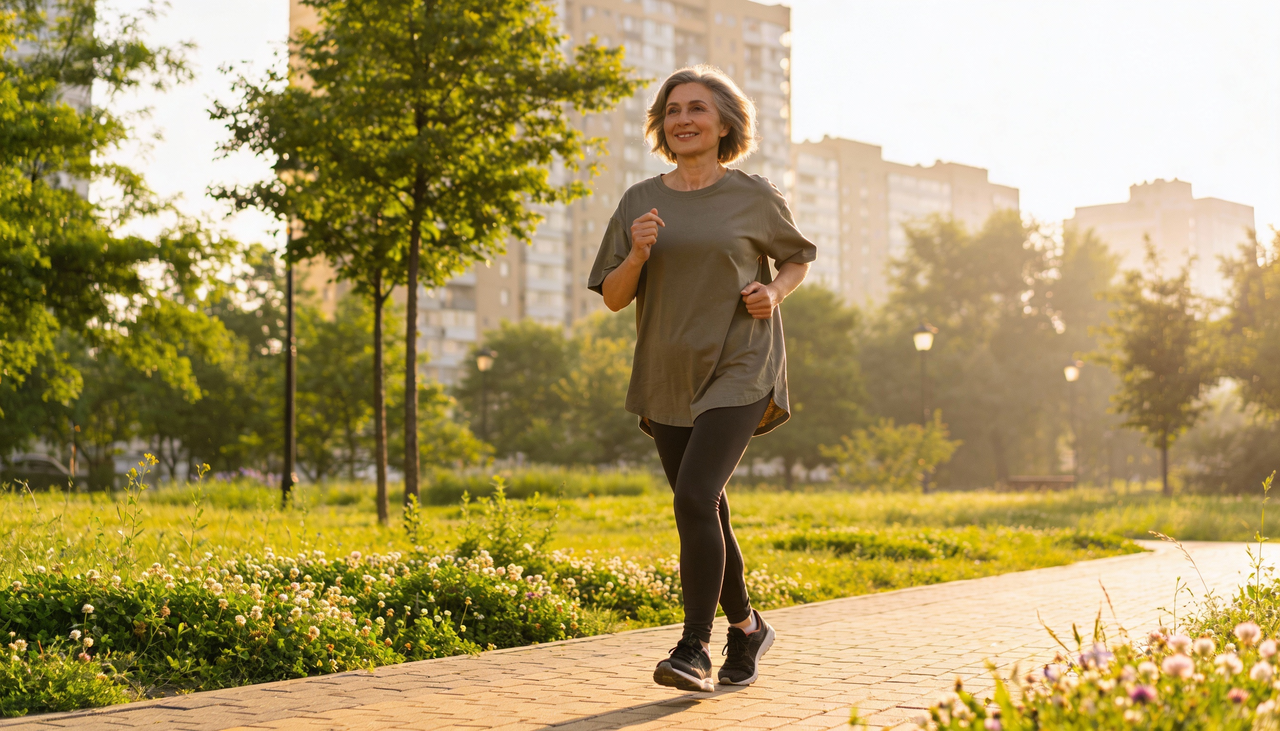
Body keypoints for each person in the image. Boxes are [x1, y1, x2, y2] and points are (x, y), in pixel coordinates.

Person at [587, 65, 815, 692]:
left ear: (724, 125)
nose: (683, 119)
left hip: (742, 361)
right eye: (672, 110)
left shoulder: (753, 195)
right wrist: (637, 253)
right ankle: (748, 627)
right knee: (705, 505)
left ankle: (694, 648)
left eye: (697, 109)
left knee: (692, 498)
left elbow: (796, 257)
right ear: (661, 125)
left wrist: (774, 291)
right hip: (667, 371)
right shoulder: (638, 201)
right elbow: (614, 297)